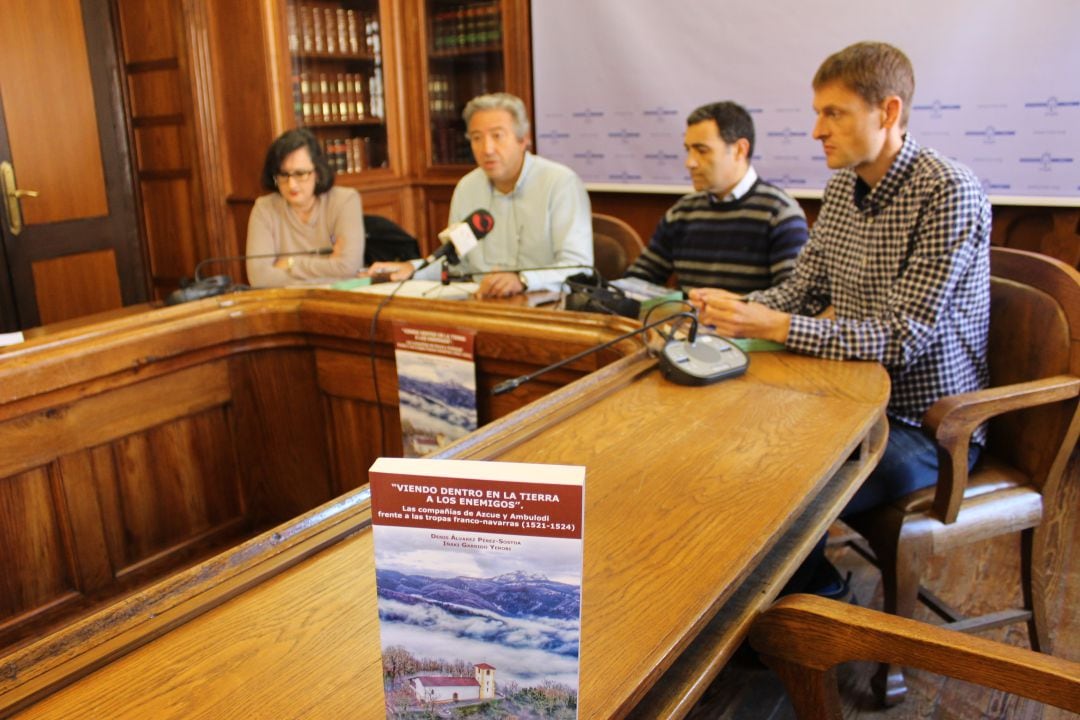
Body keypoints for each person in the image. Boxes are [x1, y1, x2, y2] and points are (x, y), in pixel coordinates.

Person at [689, 42, 992, 595]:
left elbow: (906, 336)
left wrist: (773, 326)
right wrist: (733, 310)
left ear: (889, 112)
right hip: (847, 398)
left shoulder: (949, 190)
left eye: (834, 113)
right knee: (731, 460)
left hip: (925, 425)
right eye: (817, 113)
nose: (817, 130)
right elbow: (803, 289)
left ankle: (819, 612)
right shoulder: (841, 188)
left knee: (782, 498)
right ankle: (785, 607)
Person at [367, 93, 592, 298]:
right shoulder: (467, 187)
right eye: (476, 138)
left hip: (546, 307)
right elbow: (457, 263)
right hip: (483, 304)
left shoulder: (560, 183)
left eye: (497, 136)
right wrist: (413, 269)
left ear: (523, 139)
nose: (487, 148)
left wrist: (523, 280)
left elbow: (579, 265)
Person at [626, 101, 808, 292]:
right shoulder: (682, 212)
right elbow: (639, 279)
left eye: (702, 150)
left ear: (740, 150)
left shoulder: (780, 214)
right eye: (688, 150)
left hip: (743, 322)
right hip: (685, 320)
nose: (690, 162)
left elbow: (791, 299)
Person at [246, 128, 365, 287]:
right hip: (285, 304)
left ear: (317, 172)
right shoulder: (264, 208)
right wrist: (328, 268)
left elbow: (348, 267)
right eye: (283, 175)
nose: (291, 184)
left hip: (338, 299)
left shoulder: (345, 201)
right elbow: (259, 278)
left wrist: (290, 263)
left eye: (300, 174)